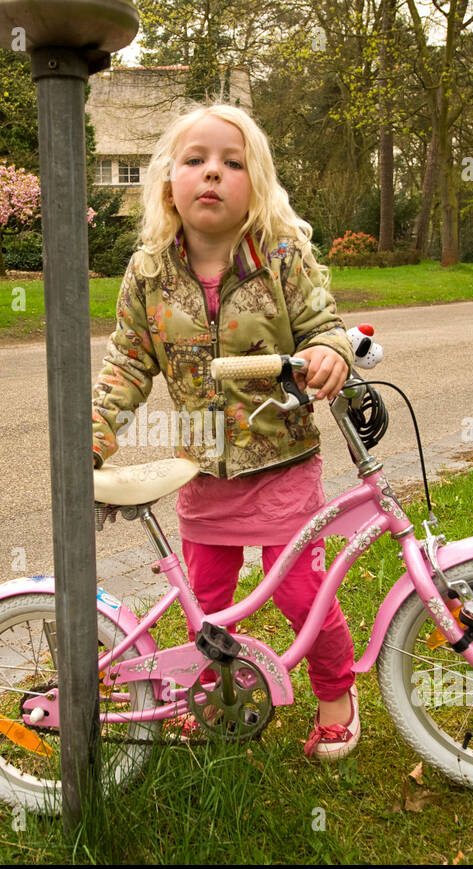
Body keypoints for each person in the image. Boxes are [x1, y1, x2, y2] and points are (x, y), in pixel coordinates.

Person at [90, 102, 360, 760]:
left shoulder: (281, 260)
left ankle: (334, 694)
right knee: (204, 600)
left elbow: (324, 326)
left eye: (231, 163)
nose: (212, 173)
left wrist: (329, 352)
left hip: (283, 463)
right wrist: (93, 435)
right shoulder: (148, 275)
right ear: (168, 183)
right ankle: (208, 690)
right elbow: (127, 364)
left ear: (255, 184)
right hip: (203, 470)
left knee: (302, 593)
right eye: (196, 160)